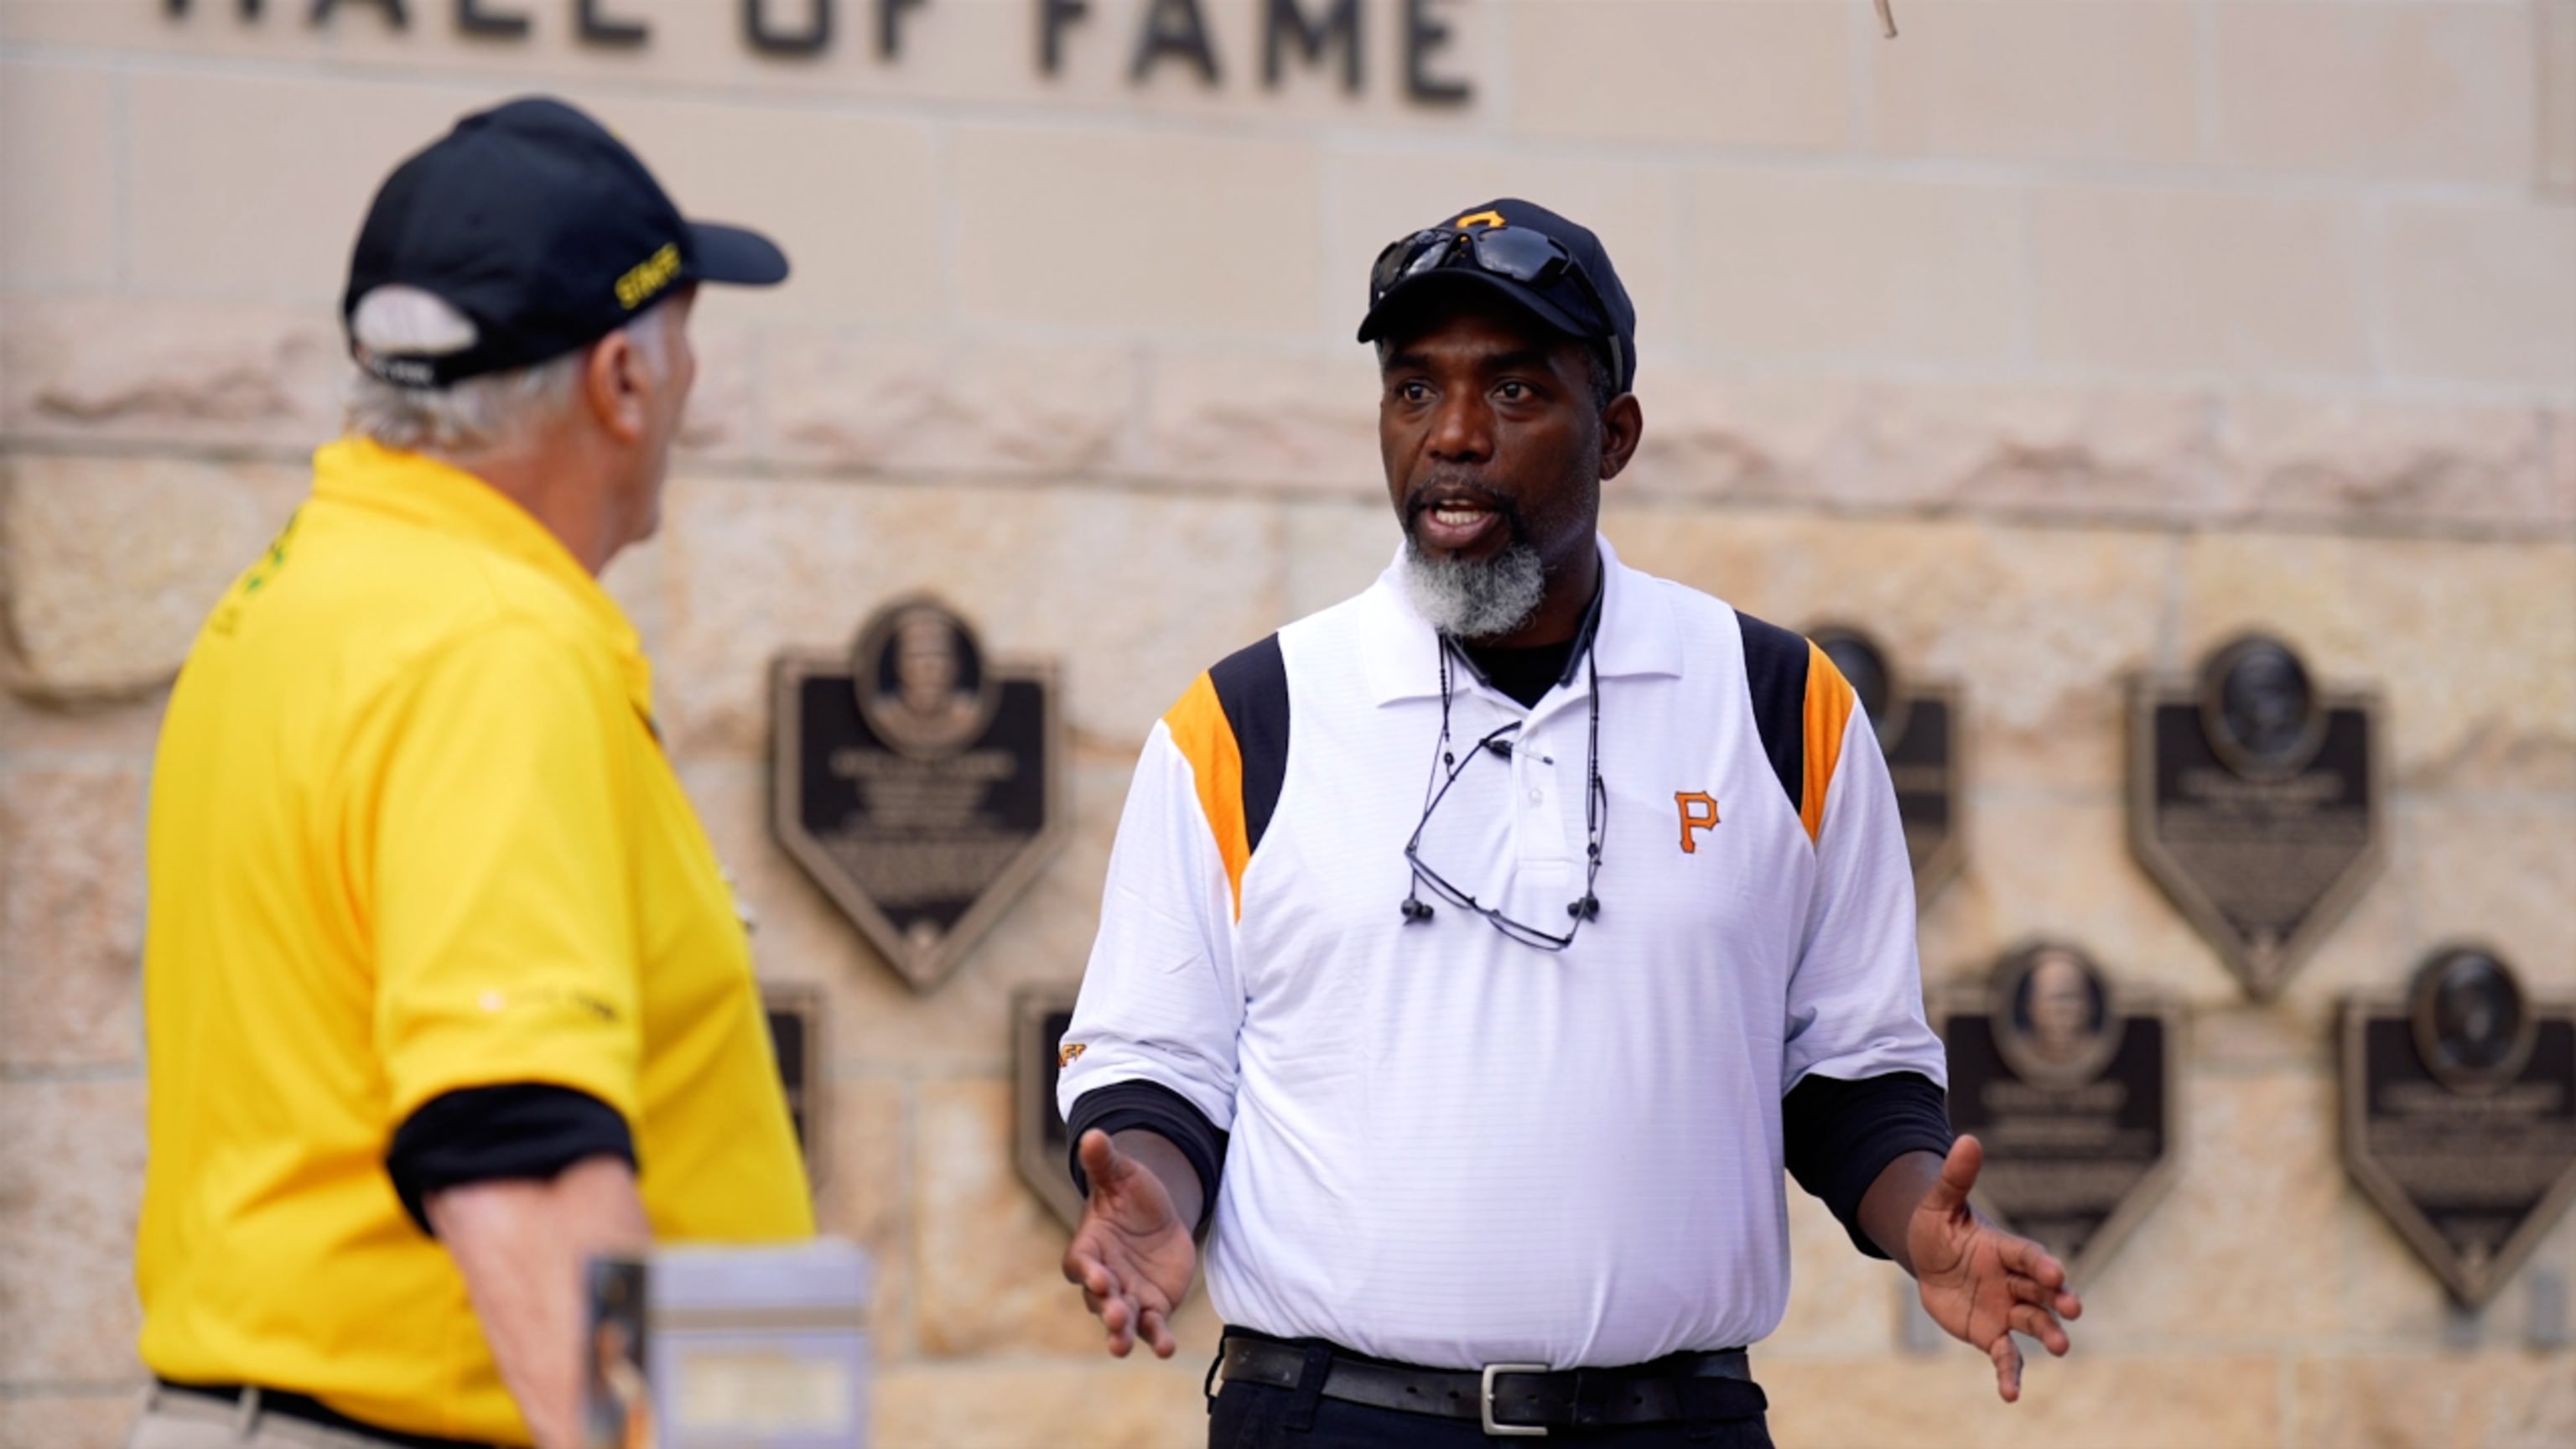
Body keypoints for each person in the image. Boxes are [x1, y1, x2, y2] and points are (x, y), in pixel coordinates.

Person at [1056, 200, 2081, 1446]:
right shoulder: (1246, 720)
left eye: (1519, 392)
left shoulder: (1779, 707)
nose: (1456, 437)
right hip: (1334, 1418)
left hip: (1673, 1418)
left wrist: (1917, 1214)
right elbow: (1159, 1068)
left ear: (1618, 434)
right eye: (1414, 389)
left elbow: (1847, 1071)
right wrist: (1151, 1193)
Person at [130, 97, 813, 1449]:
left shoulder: (300, 596)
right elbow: (518, 1155)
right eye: (683, 348)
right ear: (622, 380)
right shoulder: (495, 644)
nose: (688, 390)